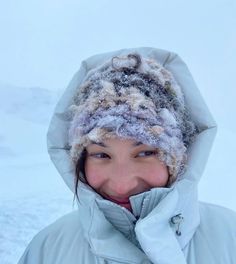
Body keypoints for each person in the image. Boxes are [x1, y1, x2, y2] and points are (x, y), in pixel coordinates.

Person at [18, 47, 236, 264]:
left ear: (179, 158)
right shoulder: (47, 251)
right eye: (102, 155)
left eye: (145, 153)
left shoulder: (229, 239)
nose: (122, 185)